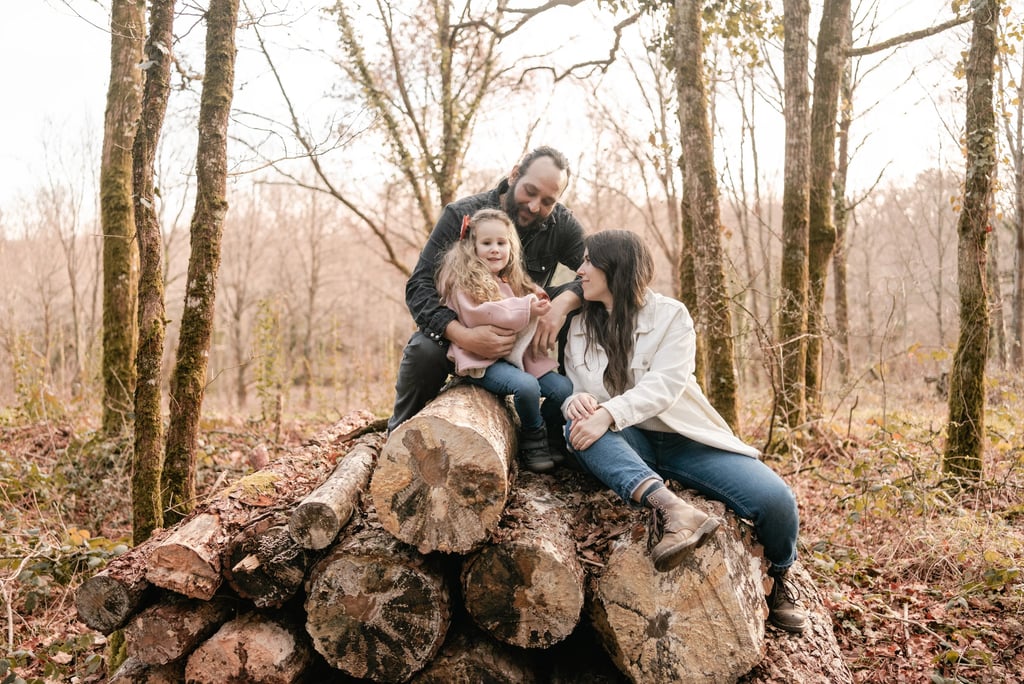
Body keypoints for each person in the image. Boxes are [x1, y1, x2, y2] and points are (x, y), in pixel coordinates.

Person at [561, 229, 807, 634]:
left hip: (686, 439)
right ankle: (671, 507)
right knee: (579, 426)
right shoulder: (580, 326)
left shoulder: (672, 315)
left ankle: (780, 579)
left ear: (616, 268)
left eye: (589, 261)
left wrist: (608, 411)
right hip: (629, 442)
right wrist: (577, 404)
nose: (580, 269)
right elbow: (578, 389)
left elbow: (666, 385)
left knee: (775, 499)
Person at [387, 146, 586, 443]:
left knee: (582, 305)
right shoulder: (461, 214)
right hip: (464, 328)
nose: (534, 206)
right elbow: (419, 286)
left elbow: (598, 271)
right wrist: (463, 335)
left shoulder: (561, 225)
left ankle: (556, 433)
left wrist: (562, 305)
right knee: (423, 350)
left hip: (521, 335)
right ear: (515, 173)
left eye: (547, 201)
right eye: (530, 191)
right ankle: (401, 431)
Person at [436, 208, 574, 472]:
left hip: (514, 355)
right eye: (486, 243)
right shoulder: (464, 281)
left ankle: (546, 431)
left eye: (502, 243)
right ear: (471, 247)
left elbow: (529, 297)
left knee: (562, 388)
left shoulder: (509, 278)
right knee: (527, 386)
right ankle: (532, 440)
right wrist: (527, 307)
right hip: (482, 360)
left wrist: (538, 298)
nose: (495, 250)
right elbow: (485, 314)